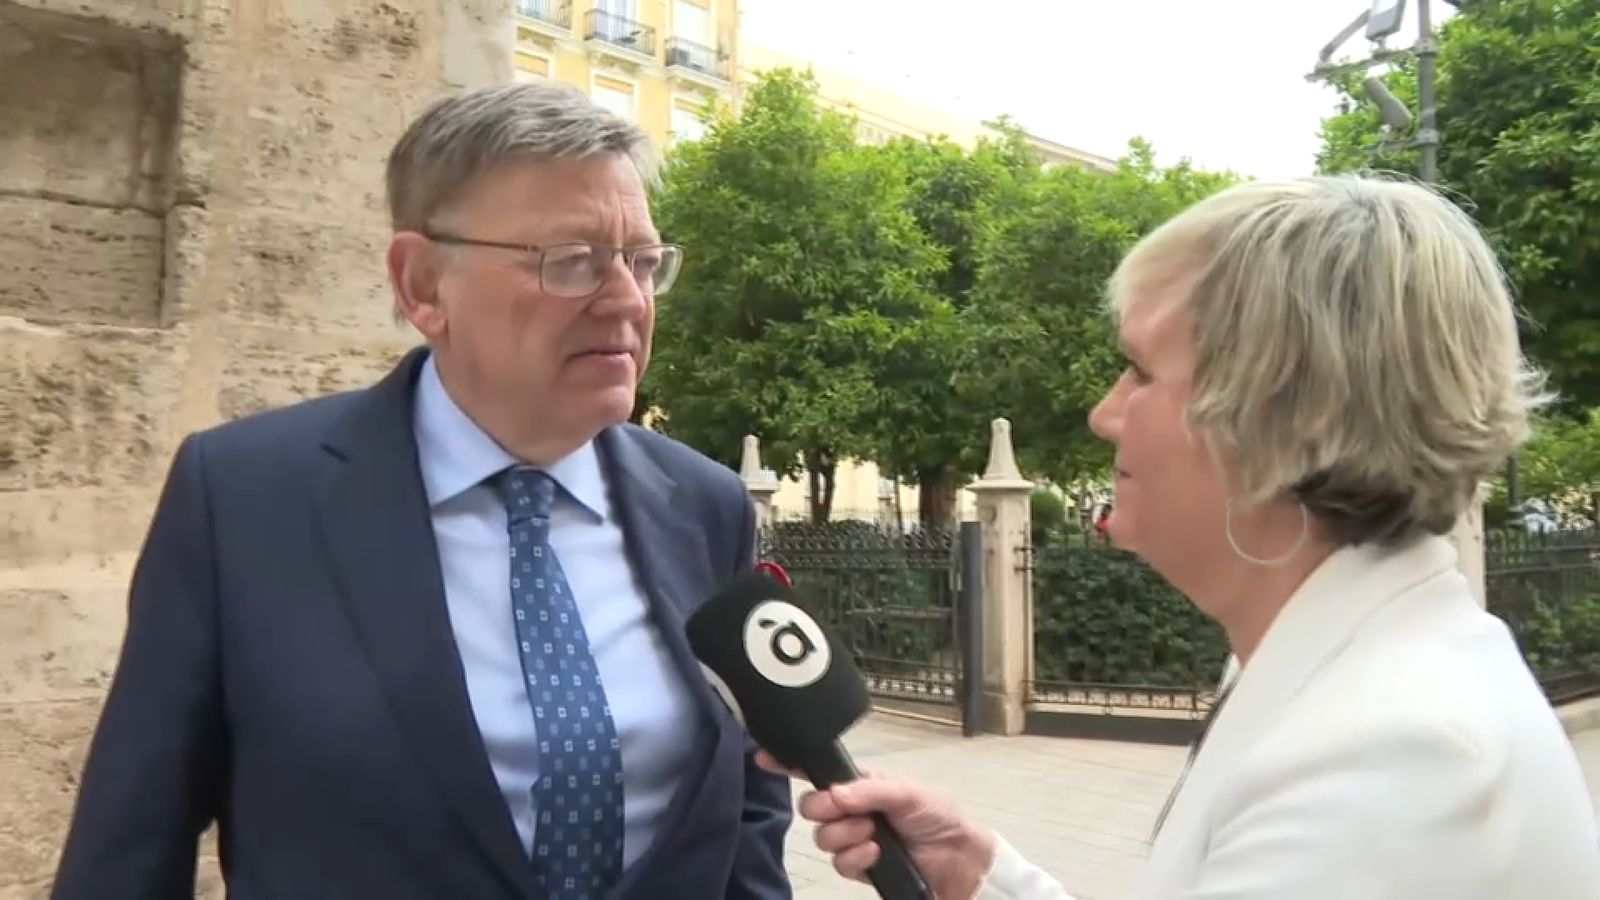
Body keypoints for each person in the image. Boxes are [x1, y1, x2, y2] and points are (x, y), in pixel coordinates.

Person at [52, 81, 793, 900]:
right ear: (423, 285)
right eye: (571, 261)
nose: (627, 300)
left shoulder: (705, 506)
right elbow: (125, 855)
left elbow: (747, 808)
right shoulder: (243, 500)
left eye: (643, 262)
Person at [765, 175, 1600, 899]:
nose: (1105, 414)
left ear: (1283, 419)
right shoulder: (1346, 677)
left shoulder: (1392, 762)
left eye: (1141, 371)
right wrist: (982, 876)